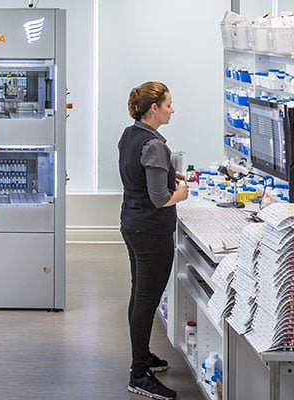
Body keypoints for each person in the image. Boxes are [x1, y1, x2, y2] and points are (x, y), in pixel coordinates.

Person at [118, 81, 190, 400]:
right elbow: (160, 198)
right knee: (147, 299)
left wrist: (163, 174)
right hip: (151, 230)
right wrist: (181, 193)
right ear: (153, 109)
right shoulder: (156, 145)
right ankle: (139, 373)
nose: (172, 109)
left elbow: (138, 172)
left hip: (132, 223)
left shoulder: (130, 135)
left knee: (140, 293)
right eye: (169, 104)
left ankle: (143, 356)